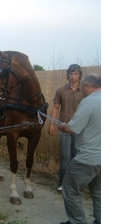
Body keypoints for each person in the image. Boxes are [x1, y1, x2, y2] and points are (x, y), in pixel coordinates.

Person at [58, 73, 101, 224]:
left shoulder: (88, 102)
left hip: (87, 159)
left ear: (88, 86)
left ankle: (77, 221)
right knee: (99, 193)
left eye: (82, 87)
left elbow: (73, 128)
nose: (81, 90)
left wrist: (63, 126)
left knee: (70, 189)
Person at [48, 64, 84, 191]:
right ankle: (62, 184)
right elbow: (56, 107)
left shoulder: (84, 91)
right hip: (64, 128)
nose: (73, 76)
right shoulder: (61, 90)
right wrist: (51, 123)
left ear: (80, 76)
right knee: (64, 158)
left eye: (76, 74)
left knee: (76, 158)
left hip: (80, 130)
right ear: (67, 75)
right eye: (71, 73)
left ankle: (74, 184)